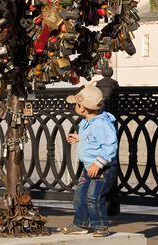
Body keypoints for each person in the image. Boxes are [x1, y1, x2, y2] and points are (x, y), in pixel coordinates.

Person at [61, 83, 118, 237]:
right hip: (89, 167)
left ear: (83, 108)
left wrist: (98, 163)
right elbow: (94, 139)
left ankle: (101, 226)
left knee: (94, 197)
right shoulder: (88, 122)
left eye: (76, 104)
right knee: (80, 196)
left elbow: (109, 146)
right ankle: (80, 224)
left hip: (102, 169)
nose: (74, 106)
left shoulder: (102, 124)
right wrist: (79, 138)